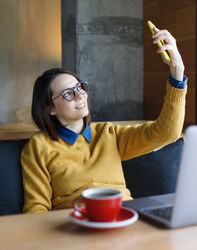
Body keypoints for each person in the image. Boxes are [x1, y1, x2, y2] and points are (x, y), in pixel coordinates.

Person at [21, 26, 188, 213]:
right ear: (49, 108)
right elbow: (36, 207)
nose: (80, 96)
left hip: (124, 216)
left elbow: (166, 133)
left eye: (80, 87)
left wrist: (177, 70)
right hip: (76, 224)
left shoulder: (109, 133)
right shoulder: (39, 146)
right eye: (68, 93)